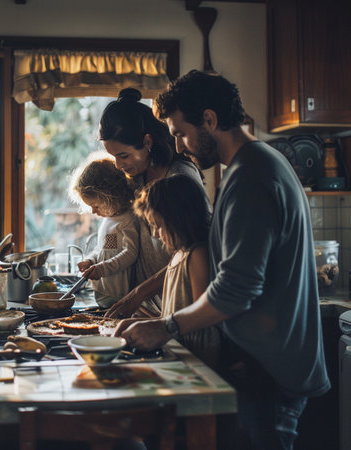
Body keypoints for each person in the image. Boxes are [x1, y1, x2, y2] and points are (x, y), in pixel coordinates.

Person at [114, 70, 330, 449]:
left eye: (180, 133)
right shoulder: (257, 164)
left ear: (210, 120)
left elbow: (235, 290)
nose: (179, 146)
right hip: (267, 366)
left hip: (270, 373)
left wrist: (167, 326)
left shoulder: (252, 177)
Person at [99, 87, 210, 317]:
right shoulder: (136, 178)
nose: (119, 166)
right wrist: (98, 257)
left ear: (147, 141)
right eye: (114, 157)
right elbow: (116, 227)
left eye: (124, 156)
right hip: (146, 307)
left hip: (179, 307)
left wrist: (138, 293)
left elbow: (190, 254)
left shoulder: (179, 179)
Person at [133, 174, 220, 368]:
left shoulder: (197, 255)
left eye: (158, 226)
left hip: (198, 358)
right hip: (179, 352)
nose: (155, 234)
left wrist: (162, 326)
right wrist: (151, 322)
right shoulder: (179, 254)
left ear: (180, 218)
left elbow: (203, 317)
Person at [70, 157, 139, 309]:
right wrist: (91, 261)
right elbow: (105, 250)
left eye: (95, 206)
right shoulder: (109, 220)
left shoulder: (127, 221)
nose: (93, 211)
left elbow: (130, 253)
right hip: (103, 291)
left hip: (118, 293)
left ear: (111, 196)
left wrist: (102, 269)